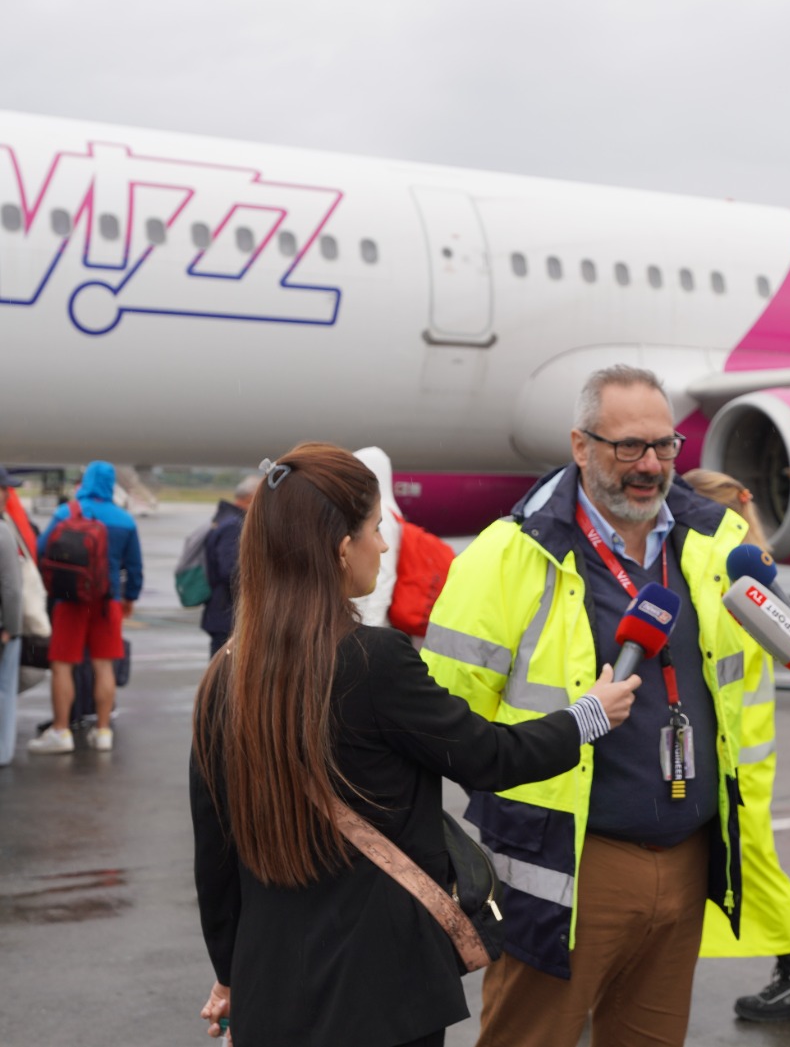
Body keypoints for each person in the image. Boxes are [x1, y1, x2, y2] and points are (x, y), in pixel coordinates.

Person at [189, 442, 642, 1047]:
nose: (383, 543)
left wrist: (229, 975)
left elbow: (215, 858)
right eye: (376, 528)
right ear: (340, 548)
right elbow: (488, 756)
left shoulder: (225, 674)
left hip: (272, 987)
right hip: (383, 992)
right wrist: (587, 717)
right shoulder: (372, 661)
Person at [422, 365, 758, 1047]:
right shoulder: (508, 554)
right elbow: (446, 725)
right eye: (627, 446)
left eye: (664, 446)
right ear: (580, 445)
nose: (650, 465)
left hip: (688, 856)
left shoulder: (713, 541)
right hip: (567, 866)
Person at [681, 468, 790, 1022]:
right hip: (741, 755)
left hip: (736, 761)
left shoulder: (731, 588)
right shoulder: (748, 583)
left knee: (752, 864)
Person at [28, 461, 142, 754]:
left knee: (63, 665)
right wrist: (128, 598)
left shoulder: (66, 512)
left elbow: (41, 550)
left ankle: (60, 732)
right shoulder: (125, 520)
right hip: (107, 603)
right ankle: (103, 732)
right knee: (104, 666)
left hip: (69, 601)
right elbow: (135, 567)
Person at [199, 473, 262, 657]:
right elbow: (230, 570)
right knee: (227, 678)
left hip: (224, 614)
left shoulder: (226, 519)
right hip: (228, 616)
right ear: (251, 497)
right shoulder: (234, 525)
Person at [351, 445, 405, 628]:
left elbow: (385, 575)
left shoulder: (383, 517)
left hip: (375, 620)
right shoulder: (390, 512)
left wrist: (370, 624)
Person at [0, 511, 21, 766]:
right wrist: (13, 628)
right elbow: (12, 588)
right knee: (4, 689)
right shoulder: (3, 532)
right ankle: (2, 752)